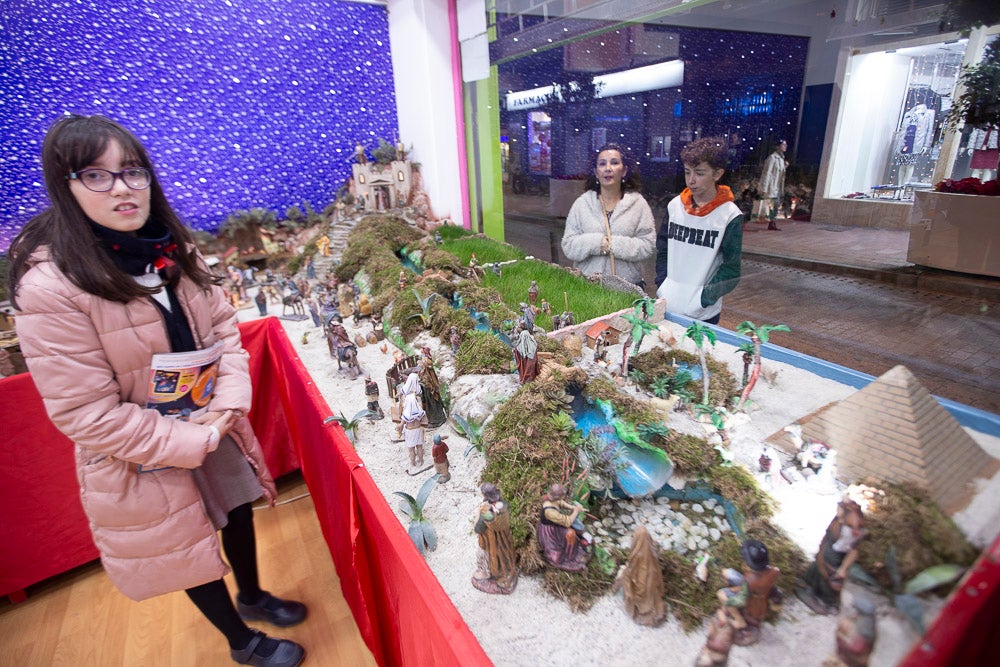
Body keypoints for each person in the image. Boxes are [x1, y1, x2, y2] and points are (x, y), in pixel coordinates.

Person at [7, 115, 305, 666]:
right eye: (95, 175)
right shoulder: (50, 285)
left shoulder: (171, 248)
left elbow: (223, 331)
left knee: (237, 510)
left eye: (132, 172)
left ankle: (255, 595)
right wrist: (188, 438)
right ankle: (242, 642)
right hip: (140, 449)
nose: (122, 188)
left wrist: (224, 411)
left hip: (211, 423)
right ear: (64, 185)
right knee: (184, 543)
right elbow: (85, 413)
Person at [655, 137, 744, 324]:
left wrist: (704, 299)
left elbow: (731, 268)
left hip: (703, 313)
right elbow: (663, 249)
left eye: (700, 173)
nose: (691, 180)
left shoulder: (729, 215)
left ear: (718, 173)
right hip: (667, 302)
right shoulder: (675, 206)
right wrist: (663, 283)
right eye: (687, 172)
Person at [561, 143, 656, 289]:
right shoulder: (582, 204)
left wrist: (613, 245)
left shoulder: (638, 204)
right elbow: (568, 245)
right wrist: (597, 243)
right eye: (602, 164)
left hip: (627, 289)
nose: (608, 168)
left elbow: (648, 245)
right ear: (595, 171)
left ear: (624, 171)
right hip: (587, 288)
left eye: (614, 163)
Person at [798, 499, 867, 616]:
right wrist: (821, 550)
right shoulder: (837, 522)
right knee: (821, 571)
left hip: (837, 555)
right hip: (829, 551)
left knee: (832, 577)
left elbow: (854, 550)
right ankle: (809, 588)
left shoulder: (852, 529)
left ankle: (829, 601)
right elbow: (827, 536)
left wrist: (844, 568)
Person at [472, 483, 518, 595]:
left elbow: (478, 528)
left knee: (488, 556)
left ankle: (490, 573)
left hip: (491, 541)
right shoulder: (504, 505)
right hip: (504, 538)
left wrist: (479, 512)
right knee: (504, 554)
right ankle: (507, 573)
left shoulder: (487, 513)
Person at [536, 483, 591, 572]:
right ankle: (569, 556)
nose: (563, 497)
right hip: (550, 532)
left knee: (571, 533)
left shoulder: (555, 500)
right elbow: (567, 522)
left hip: (556, 526)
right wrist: (576, 511)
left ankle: (573, 551)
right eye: (562, 495)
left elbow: (561, 503)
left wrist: (572, 507)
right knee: (570, 533)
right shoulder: (550, 511)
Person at [755, 139, 787, 230]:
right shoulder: (772, 158)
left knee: (775, 206)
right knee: (769, 205)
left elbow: (780, 173)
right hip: (771, 187)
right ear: (778, 146)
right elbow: (767, 173)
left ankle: (772, 223)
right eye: (783, 144)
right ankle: (770, 222)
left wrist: (785, 167)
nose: (785, 146)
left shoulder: (781, 159)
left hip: (777, 187)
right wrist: (764, 187)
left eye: (785, 145)